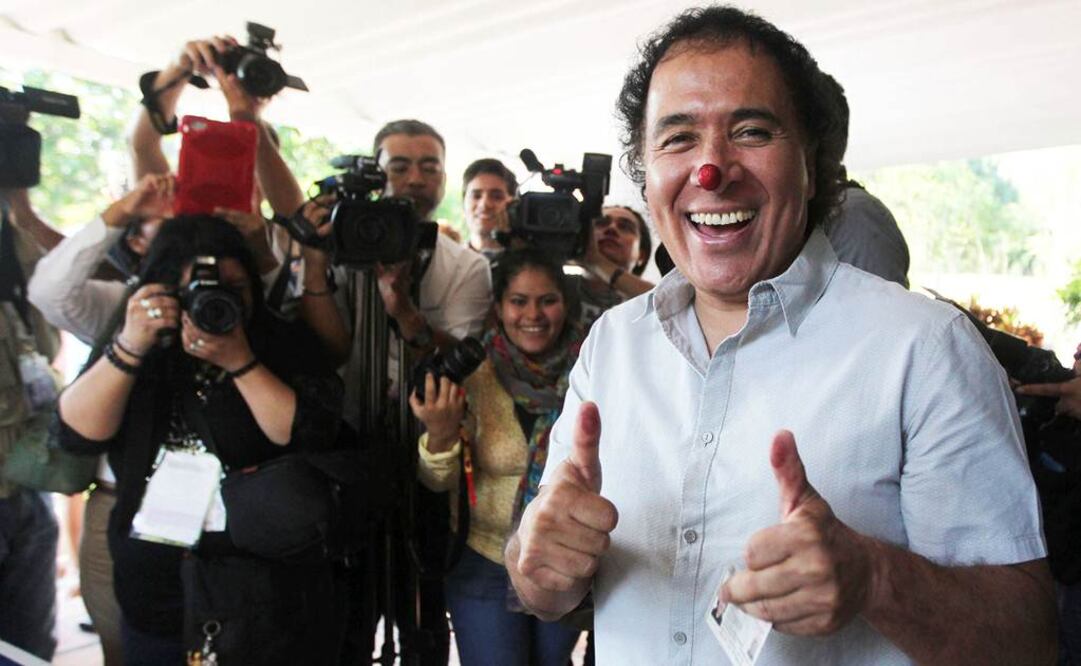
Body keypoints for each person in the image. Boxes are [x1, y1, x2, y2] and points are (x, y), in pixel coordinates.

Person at [506, 6, 1055, 665]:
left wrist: (875, 578)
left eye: (751, 130)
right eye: (677, 139)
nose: (711, 170)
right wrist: (536, 567)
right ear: (646, 174)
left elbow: (1026, 641)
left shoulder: (925, 349)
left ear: (812, 164)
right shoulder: (612, 345)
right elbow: (546, 581)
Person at [55, 215, 345, 664]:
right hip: (155, 573)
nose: (219, 298)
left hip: (265, 585)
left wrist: (241, 363)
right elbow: (77, 433)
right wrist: (131, 346)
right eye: (202, 286)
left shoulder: (279, 342)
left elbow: (304, 434)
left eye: (235, 286)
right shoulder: (140, 343)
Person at [409, 250, 584, 665]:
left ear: (566, 304)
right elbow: (436, 482)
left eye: (547, 300)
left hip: (567, 560)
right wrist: (440, 434)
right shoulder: (472, 374)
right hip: (485, 560)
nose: (533, 314)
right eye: (519, 301)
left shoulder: (593, 368)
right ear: (498, 309)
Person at [0, 190, 60, 662]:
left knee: (30, 647)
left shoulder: (13, 251)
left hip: (24, 483)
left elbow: (48, 339)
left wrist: (19, 209)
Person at [572, 205, 655, 327]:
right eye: (600, 223)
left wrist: (597, 262)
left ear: (641, 256)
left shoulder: (648, 304)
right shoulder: (559, 286)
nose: (611, 228)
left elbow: (668, 305)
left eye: (625, 227)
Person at [462, 158, 517, 261]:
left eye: (496, 197)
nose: (484, 204)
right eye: (476, 196)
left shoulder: (528, 266)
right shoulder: (447, 263)